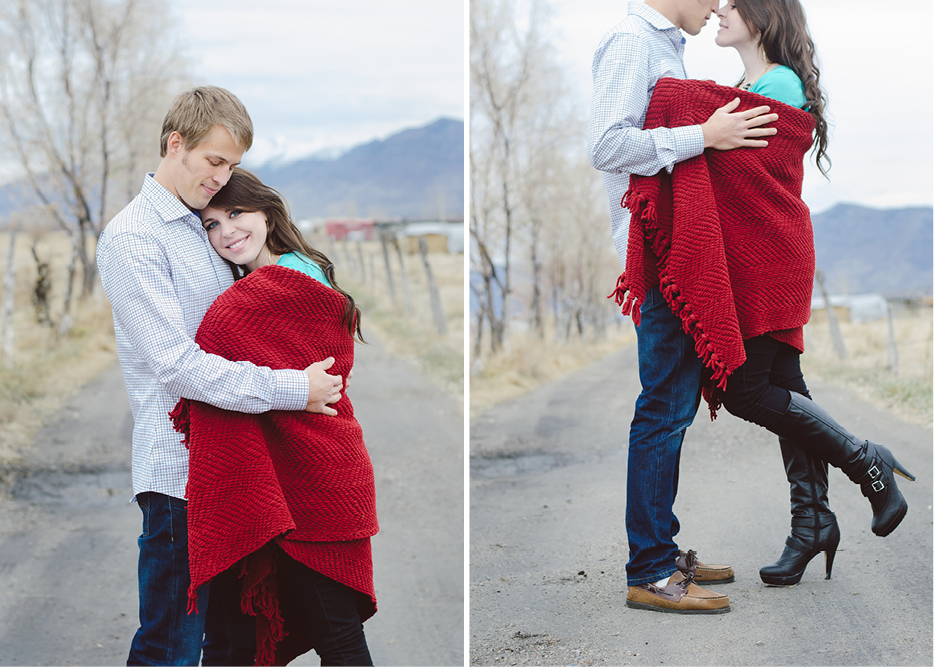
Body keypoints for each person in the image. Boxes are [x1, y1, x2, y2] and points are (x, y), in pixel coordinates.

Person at [96, 86, 347, 665]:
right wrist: (295, 388)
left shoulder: (203, 228)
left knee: (232, 646)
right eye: (215, 161)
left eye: (231, 166)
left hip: (236, 470)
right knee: (170, 648)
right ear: (174, 144)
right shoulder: (134, 238)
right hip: (179, 473)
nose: (221, 176)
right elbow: (179, 366)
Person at [709, 0, 915, 585]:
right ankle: (813, 523)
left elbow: (739, 168)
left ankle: (863, 461)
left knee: (747, 391)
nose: (719, 10)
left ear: (763, 15)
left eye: (732, 3)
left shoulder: (777, 84)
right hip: (762, 255)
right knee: (784, 392)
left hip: (771, 255)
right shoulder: (749, 85)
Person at [588, 0, 779, 614]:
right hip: (656, 250)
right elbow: (607, 145)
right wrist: (704, 135)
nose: (718, 7)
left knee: (672, 410)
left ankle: (661, 551)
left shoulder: (667, 44)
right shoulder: (630, 41)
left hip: (672, 249)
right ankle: (649, 572)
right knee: (662, 410)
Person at [171, 168, 378, 666]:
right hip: (311, 475)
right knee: (316, 639)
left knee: (340, 641)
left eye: (236, 214)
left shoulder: (278, 284)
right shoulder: (282, 272)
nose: (227, 232)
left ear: (266, 211)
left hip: (311, 481)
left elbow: (206, 360)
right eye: (212, 225)